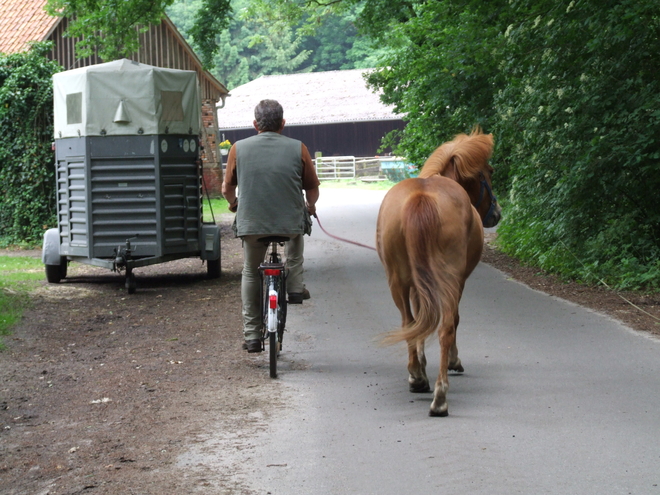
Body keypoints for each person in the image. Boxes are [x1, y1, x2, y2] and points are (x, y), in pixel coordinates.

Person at [222, 99, 320, 353]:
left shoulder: (237, 148)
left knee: (250, 271)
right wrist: (310, 207)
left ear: (255, 124)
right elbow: (312, 187)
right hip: (289, 222)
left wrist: (234, 204)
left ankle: (253, 335)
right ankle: (296, 288)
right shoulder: (299, 147)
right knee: (296, 239)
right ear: (283, 124)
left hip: (252, 223)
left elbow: (227, 188)